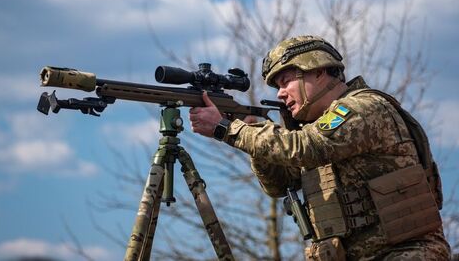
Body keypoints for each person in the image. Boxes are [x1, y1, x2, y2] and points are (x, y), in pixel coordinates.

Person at [189, 35, 451, 260]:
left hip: (404, 253)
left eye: (286, 81)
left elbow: (307, 146)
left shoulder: (364, 107)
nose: (280, 93)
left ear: (318, 71)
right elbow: (278, 185)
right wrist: (250, 139)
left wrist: (228, 129)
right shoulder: (312, 129)